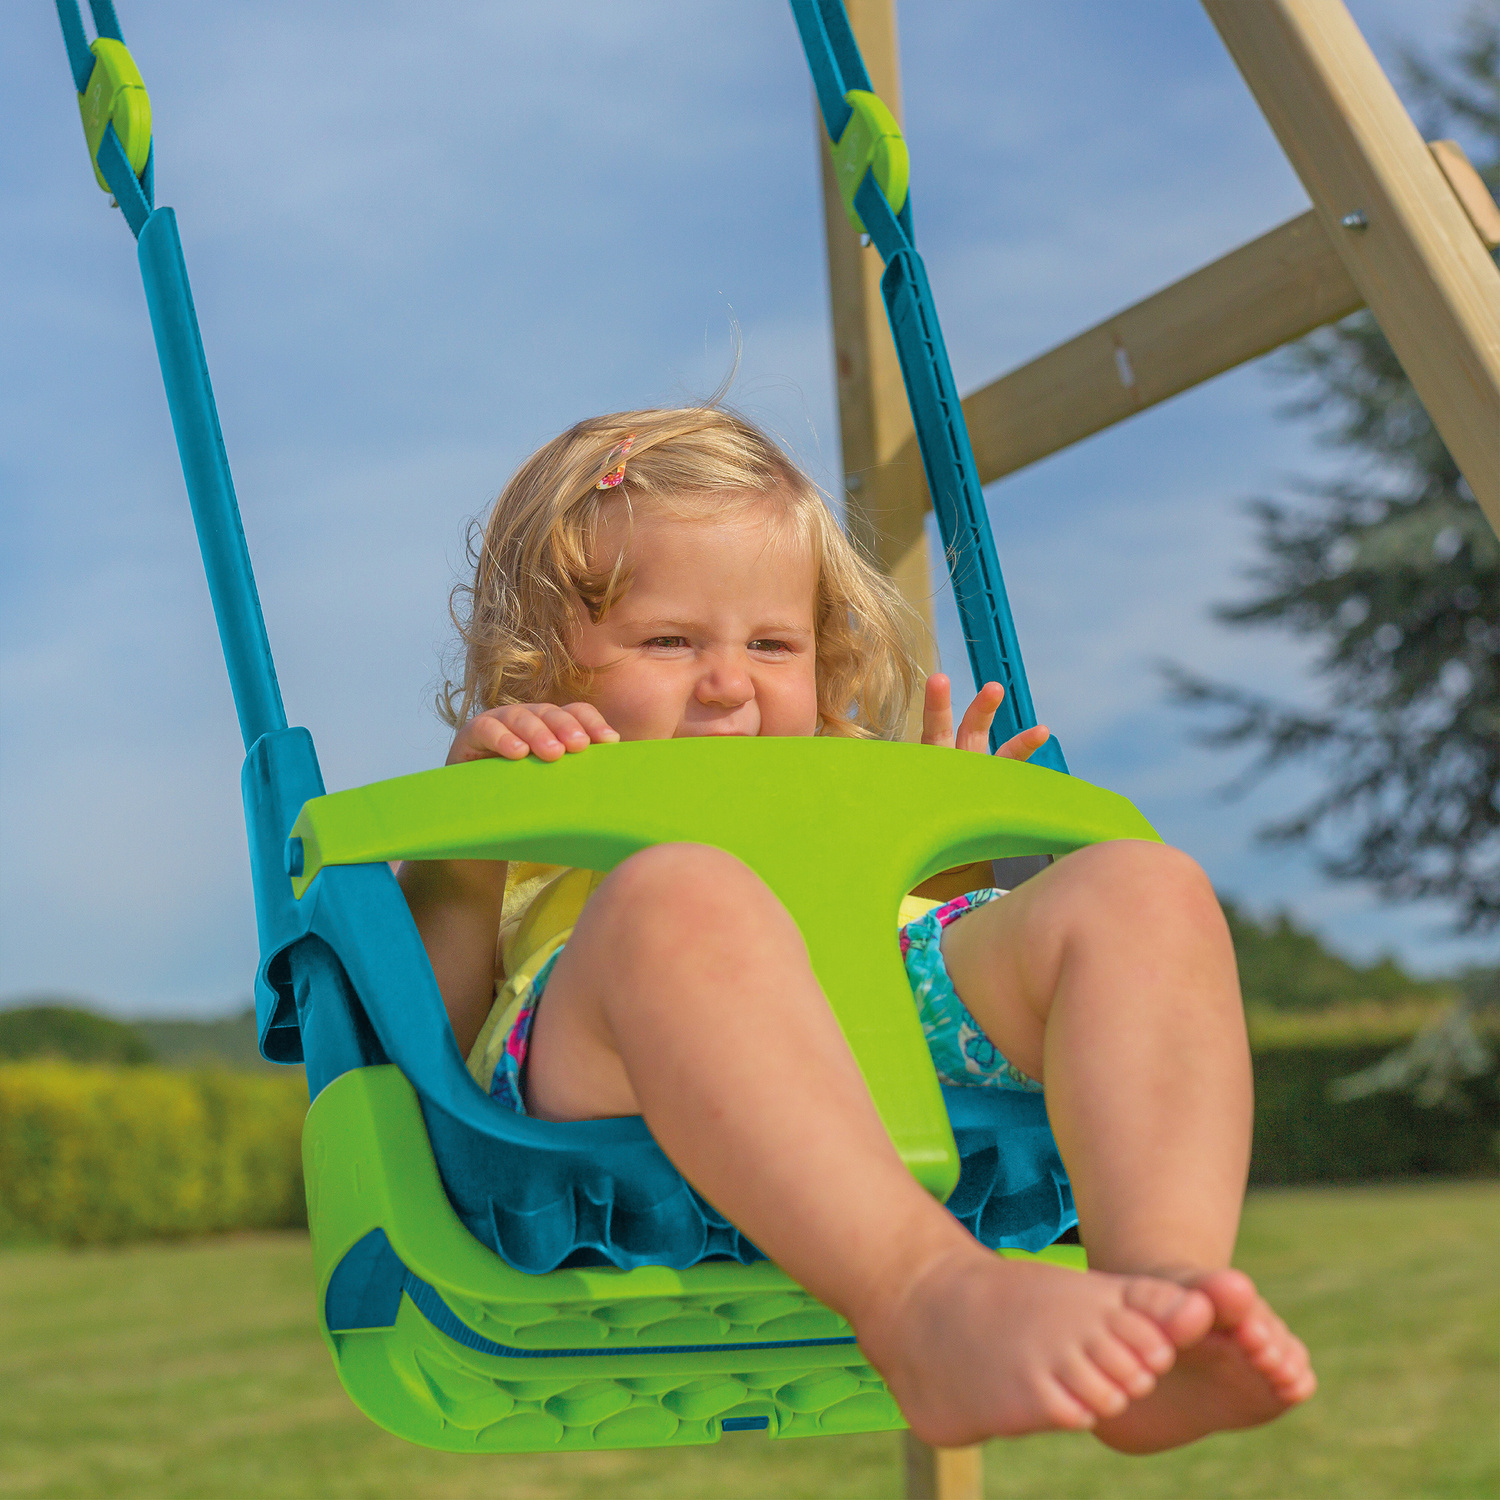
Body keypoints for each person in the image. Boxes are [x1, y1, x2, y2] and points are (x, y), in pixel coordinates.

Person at [398, 406, 1316, 1452]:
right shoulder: (531, 795)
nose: (730, 683)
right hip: (599, 1071)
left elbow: (921, 962)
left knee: (1143, 887)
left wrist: (948, 844)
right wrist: (469, 827)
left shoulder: (845, 776)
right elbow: (422, 1034)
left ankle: (1164, 1301)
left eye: (772, 644)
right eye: (668, 641)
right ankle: (924, 1303)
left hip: (872, 1029)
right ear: (541, 664)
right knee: (681, 894)